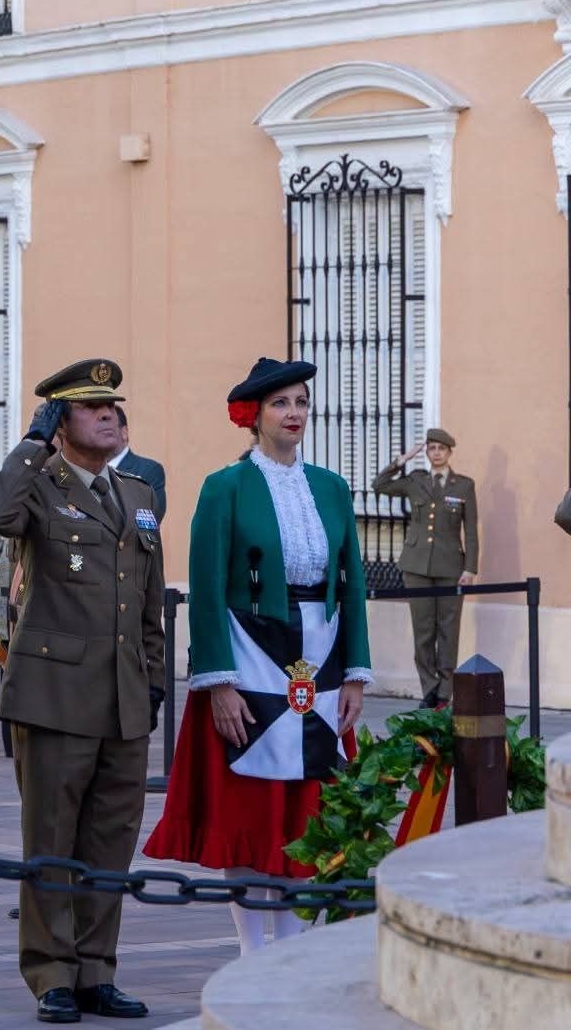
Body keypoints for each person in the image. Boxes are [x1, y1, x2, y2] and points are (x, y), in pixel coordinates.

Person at [144, 357, 371, 956]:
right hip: (248, 661)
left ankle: (291, 949)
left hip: (317, 665)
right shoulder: (226, 487)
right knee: (250, 808)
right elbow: (207, 585)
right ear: (253, 415)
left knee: (305, 808)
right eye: (281, 404)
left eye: (300, 401)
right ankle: (252, 949)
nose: (294, 413)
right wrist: (217, 681)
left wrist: (355, 673)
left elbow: (350, 585)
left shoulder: (331, 487)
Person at [0, 359, 161, 1024]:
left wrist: (155, 683)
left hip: (123, 699)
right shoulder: (38, 489)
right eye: (88, 407)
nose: (108, 414)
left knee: (110, 841)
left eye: (113, 406)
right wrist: (30, 443)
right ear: (58, 421)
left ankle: (96, 971)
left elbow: (148, 605)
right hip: (53, 696)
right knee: (51, 837)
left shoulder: (136, 494)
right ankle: (51, 973)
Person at [373, 428, 478, 709]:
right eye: (431, 448)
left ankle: (445, 691)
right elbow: (379, 485)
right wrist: (402, 460)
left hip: (450, 568)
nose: (436, 453)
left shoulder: (463, 486)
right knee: (423, 632)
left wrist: (470, 568)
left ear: (449, 452)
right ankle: (428, 689)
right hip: (416, 567)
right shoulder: (415, 481)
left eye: (441, 449)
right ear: (427, 452)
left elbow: (471, 531)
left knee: (448, 630)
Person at [110, 405, 167, 519]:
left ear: (124, 432)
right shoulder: (86, 471)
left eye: (108, 428)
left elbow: (150, 519)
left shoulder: (149, 470)